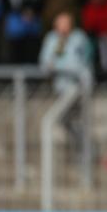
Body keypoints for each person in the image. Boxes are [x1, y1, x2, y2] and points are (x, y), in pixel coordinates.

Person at [39, 12, 94, 154]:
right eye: (60, 24)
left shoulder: (79, 38)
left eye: (66, 24)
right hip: (60, 87)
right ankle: (79, 143)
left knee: (70, 118)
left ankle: (83, 147)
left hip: (77, 87)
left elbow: (84, 63)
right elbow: (45, 64)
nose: (63, 28)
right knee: (64, 120)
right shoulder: (51, 39)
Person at [5, 0, 45, 64]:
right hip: (17, 25)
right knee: (16, 53)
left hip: (33, 24)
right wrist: (23, 12)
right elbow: (10, 3)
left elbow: (40, 1)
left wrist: (31, 12)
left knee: (32, 52)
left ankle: (32, 78)